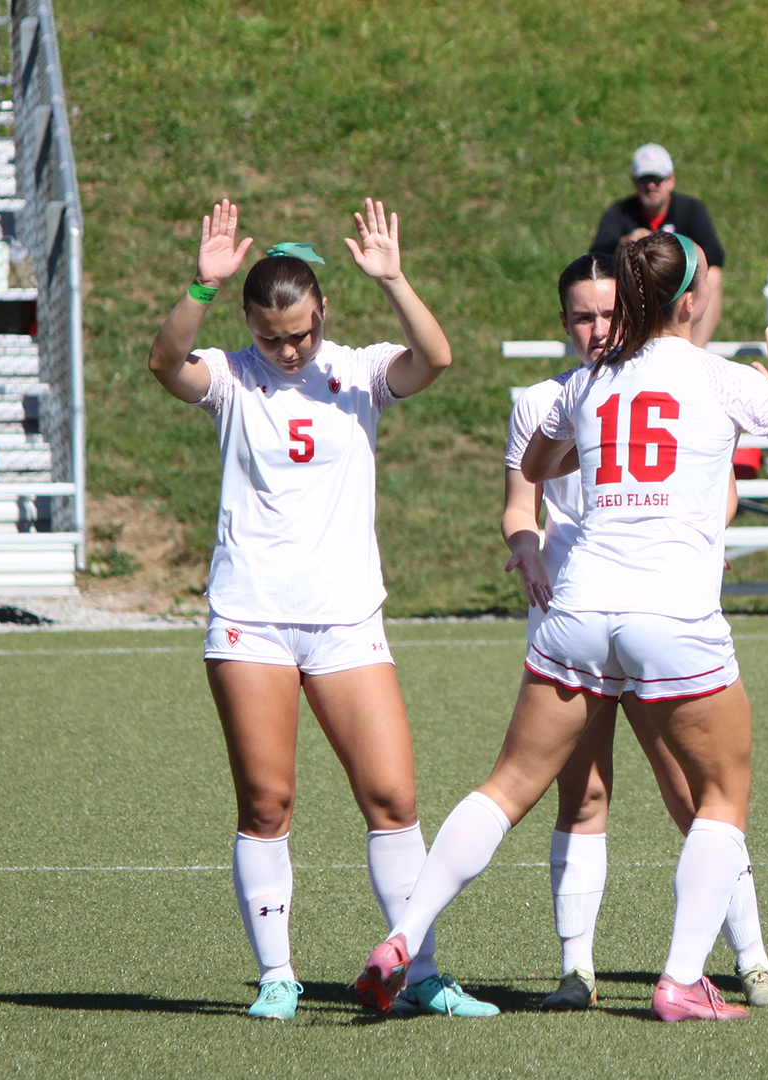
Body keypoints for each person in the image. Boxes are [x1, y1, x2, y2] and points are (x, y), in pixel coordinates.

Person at [357, 231, 768, 1022]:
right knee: (720, 797)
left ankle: (405, 935)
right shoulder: (723, 378)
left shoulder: (589, 381)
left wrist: (596, 431)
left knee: (506, 786)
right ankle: (682, 981)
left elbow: (537, 466)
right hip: (672, 614)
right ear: (691, 299)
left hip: (580, 609)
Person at [146, 199, 489, 1020]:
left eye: (300, 333)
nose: (289, 349)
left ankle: (418, 972)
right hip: (252, 618)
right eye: (273, 338)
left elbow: (436, 358)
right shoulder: (231, 376)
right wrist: (202, 284)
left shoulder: (360, 372)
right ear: (250, 327)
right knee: (267, 804)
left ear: (323, 311)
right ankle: (277, 976)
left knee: (393, 799)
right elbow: (165, 363)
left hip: (346, 620)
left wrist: (394, 279)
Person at [500, 252, 768, 1011]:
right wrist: (525, 547)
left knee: (694, 795)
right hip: (575, 618)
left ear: (632, 309)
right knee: (583, 793)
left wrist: (683, 535)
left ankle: (753, 959)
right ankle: (577, 969)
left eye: (608, 313)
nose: (596, 328)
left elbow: (720, 492)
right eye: (581, 317)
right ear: (563, 323)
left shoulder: (676, 380)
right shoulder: (549, 398)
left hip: (656, 610)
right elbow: (520, 501)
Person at [590, 143, 726, 347]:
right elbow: (595, 258)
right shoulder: (619, 212)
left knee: (713, 276)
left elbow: (715, 254)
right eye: (645, 180)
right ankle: (621, 346)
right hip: (634, 284)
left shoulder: (690, 209)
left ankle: (695, 350)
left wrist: (673, 250)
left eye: (657, 180)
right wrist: (625, 245)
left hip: (677, 283)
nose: (651, 186)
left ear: (671, 181)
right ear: (634, 182)